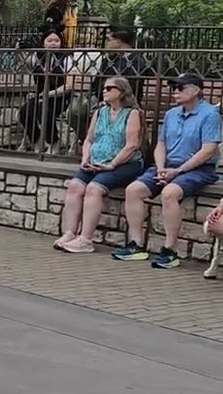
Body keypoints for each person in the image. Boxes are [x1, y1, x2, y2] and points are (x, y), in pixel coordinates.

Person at [112, 73, 221, 269]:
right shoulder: (171, 114)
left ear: (196, 90)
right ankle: (135, 244)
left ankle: (170, 250)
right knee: (133, 190)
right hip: (167, 165)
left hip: (197, 169)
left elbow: (208, 150)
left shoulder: (210, 114)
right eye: (173, 88)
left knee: (169, 193)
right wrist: (161, 168)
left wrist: (177, 171)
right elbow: (161, 144)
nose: (175, 92)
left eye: (180, 88)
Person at [55, 76, 143, 253]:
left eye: (110, 88)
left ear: (122, 92)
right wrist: (85, 159)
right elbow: (89, 139)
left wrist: (112, 164)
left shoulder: (132, 113)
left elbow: (132, 145)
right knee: (74, 186)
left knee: (94, 189)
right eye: (104, 88)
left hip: (124, 163)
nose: (105, 91)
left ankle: (86, 239)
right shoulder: (100, 112)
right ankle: (70, 233)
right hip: (95, 161)